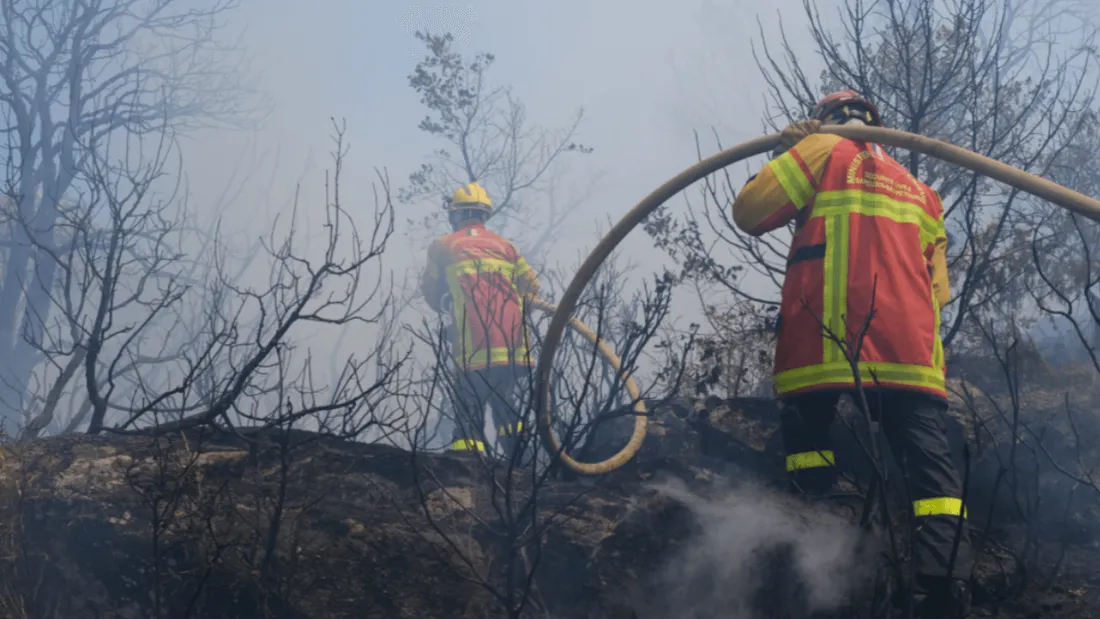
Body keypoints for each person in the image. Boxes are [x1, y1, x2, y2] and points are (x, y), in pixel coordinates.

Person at [731, 90, 973, 619]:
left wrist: (788, 155)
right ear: (874, 121)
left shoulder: (821, 152)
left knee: (810, 446)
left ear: (824, 120)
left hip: (825, 344)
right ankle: (941, 583)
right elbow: (942, 289)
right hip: (909, 353)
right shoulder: (921, 190)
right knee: (934, 480)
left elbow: (750, 213)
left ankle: (814, 543)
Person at [420, 181, 540, 463]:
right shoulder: (506, 246)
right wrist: (512, 310)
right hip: (511, 341)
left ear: (455, 215)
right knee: (504, 400)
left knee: (468, 398)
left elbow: (432, 290)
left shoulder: (445, 245)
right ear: (485, 215)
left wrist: (445, 303)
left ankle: (467, 461)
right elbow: (532, 288)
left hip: (473, 338)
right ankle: (520, 462)